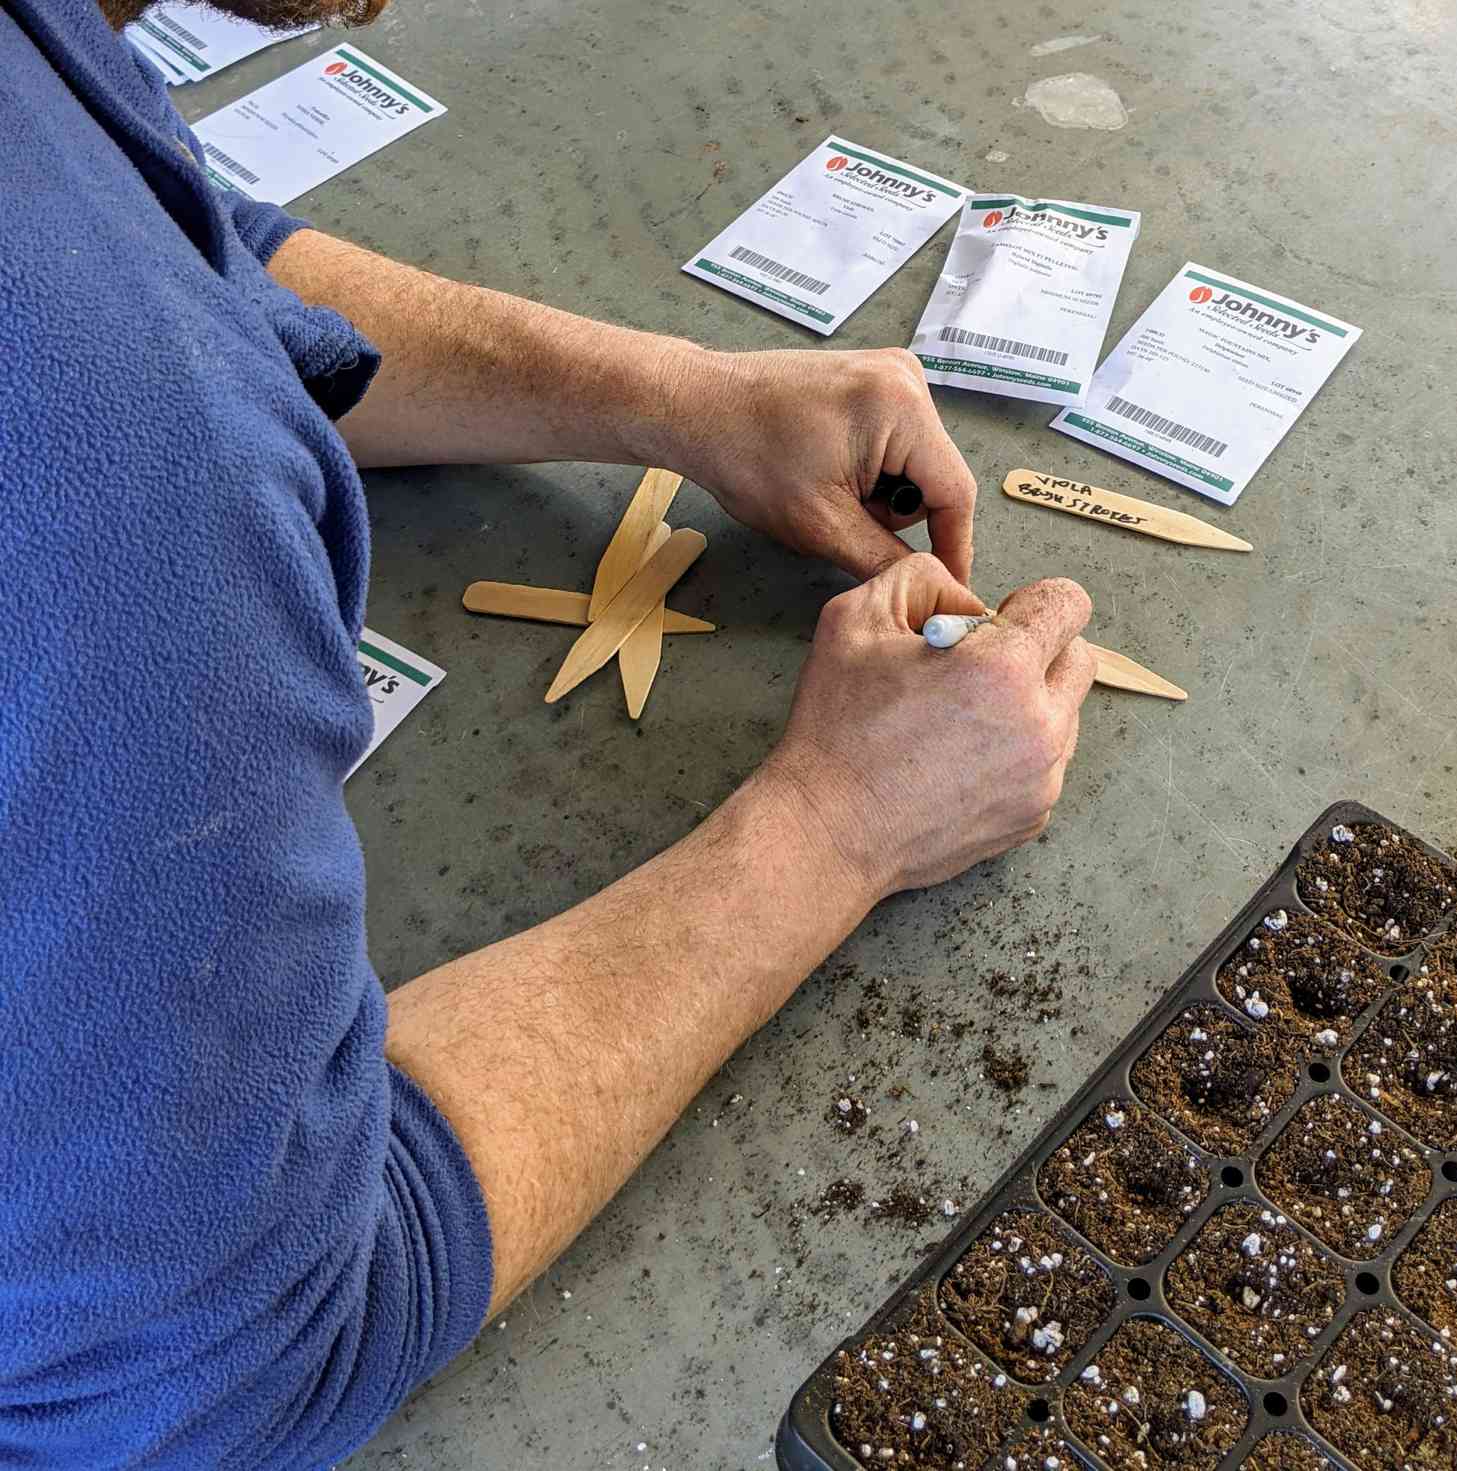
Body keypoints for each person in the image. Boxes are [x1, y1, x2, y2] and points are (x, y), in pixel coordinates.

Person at [0, 0, 1095, 1464]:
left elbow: (182, 248)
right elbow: (211, 1365)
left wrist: (678, 399)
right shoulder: (118, 483)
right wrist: (840, 824)